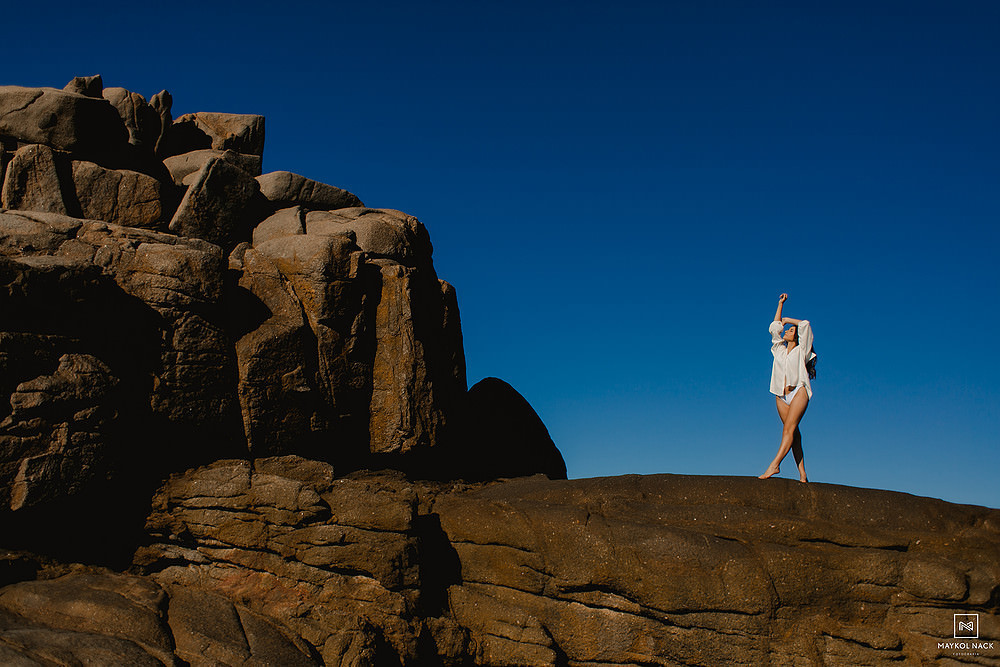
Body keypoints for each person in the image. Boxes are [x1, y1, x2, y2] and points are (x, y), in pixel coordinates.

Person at [759, 293, 816, 482]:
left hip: (798, 391)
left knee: (788, 431)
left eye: (790, 330)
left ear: (797, 337)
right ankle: (803, 474)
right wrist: (780, 304)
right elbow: (774, 329)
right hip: (780, 396)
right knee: (794, 434)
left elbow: (806, 325)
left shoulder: (802, 351)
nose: (786, 331)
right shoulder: (779, 350)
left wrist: (789, 320)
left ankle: (774, 465)